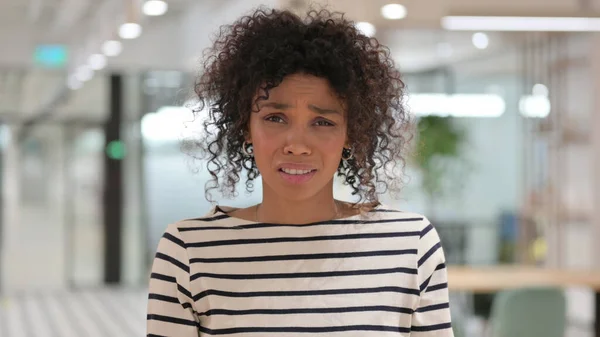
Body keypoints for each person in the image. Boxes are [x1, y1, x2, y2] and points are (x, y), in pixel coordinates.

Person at [146, 6, 453, 337]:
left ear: (351, 133)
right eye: (275, 118)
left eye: (323, 122)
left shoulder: (410, 244)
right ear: (245, 127)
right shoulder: (189, 251)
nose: (297, 144)